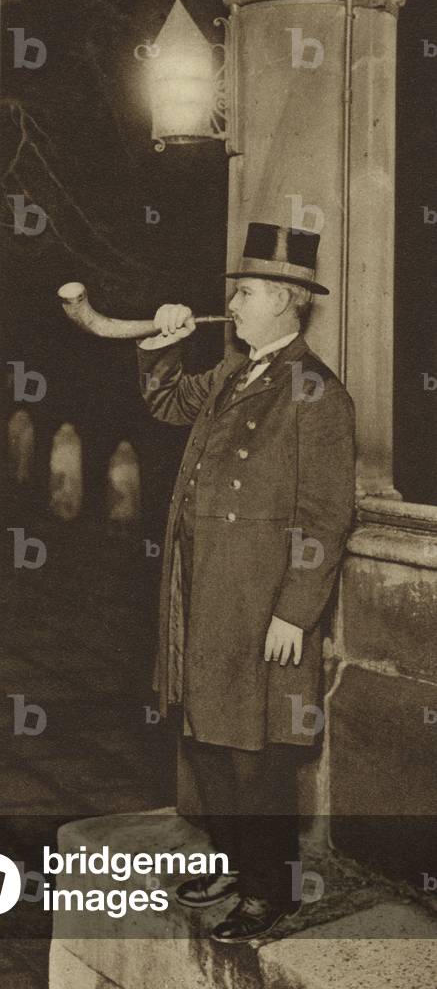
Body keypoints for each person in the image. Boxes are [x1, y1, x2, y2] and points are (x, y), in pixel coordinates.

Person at [137, 222, 355, 943]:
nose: (232, 304)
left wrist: (295, 611)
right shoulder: (236, 370)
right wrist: (163, 343)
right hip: (203, 592)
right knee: (207, 738)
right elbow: (166, 404)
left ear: (287, 300)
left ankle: (271, 891)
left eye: (248, 292)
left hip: (262, 604)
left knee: (253, 754)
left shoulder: (316, 391)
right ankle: (234, 864)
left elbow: (326, 515)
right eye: (236, 291)